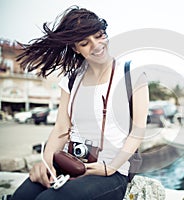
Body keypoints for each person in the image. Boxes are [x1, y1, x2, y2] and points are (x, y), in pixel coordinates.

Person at [11, 6, 149, 200]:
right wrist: (47, 161)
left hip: (111, 171)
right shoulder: (71, 79)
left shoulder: (131, 73)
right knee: (21, 198)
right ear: (75, 48)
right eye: (85, 43)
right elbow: (61, 127)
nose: (96, 45)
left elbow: (138, 129)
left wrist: (110, 167)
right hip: (70, 162)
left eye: (99, 36)